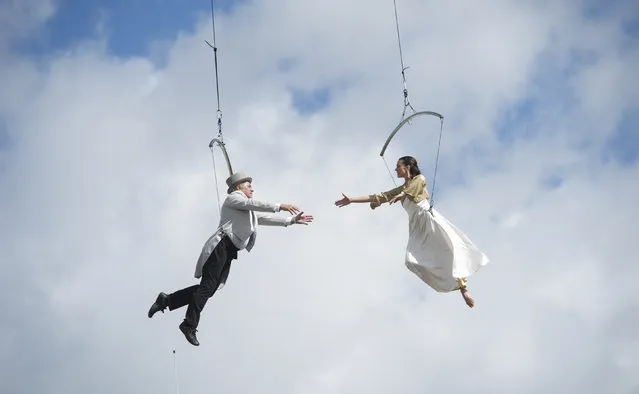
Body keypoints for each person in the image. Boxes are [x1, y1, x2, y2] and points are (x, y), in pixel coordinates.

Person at [148, 172, 314, 346]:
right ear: (238, 188)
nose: (252, 188)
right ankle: (188, 325)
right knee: (206, 289)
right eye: (248, 185)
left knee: (208, 290)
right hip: (221, 247)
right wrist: (280, 206)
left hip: (229, 251)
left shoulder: (246, 209)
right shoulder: (233, 199)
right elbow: (253, 204)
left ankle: (167, 300)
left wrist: (291, 220)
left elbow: (262, 218)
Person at [334, 156, 489, 308]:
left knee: (449, 249)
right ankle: (452, 285)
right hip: (416, 227)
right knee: (413, 260)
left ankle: (463, 289)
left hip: (428, 220)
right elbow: (378, 196)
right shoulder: (402, 189)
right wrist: (352, 200)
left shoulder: (419, 179)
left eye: (398, 166)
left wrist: (402, 194)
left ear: (407, 167)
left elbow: (411, 189)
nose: (395, 169)